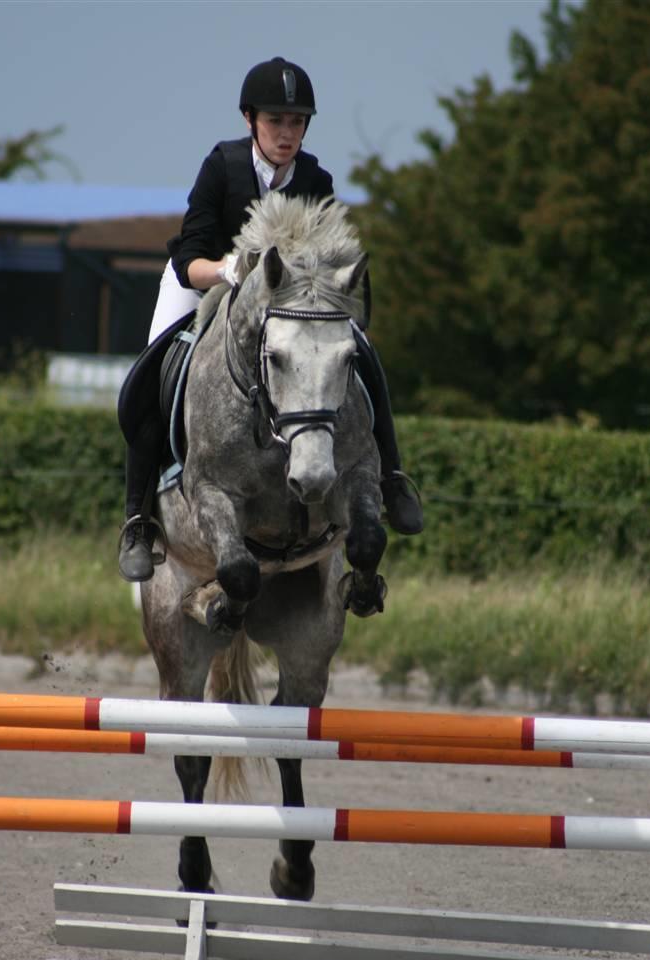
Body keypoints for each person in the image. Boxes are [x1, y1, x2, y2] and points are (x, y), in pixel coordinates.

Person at [118, 56, 423, 583]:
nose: (287, 134)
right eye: (276, 121)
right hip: (207, 282)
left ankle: (391, 478)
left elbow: (328, 256)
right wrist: (225, 269)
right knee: (155, 369)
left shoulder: (314, 177)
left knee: (362, 353)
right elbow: (189, 256)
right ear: (250, 119)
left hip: (288, 302)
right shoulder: (222, 166)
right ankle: (139, 519)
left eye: (297, 122)